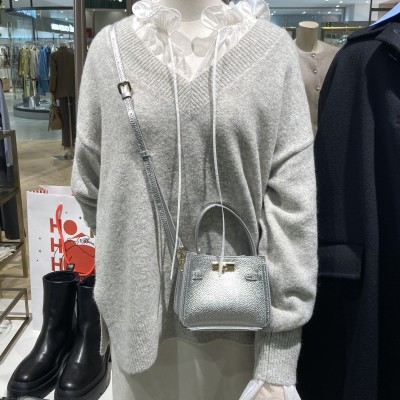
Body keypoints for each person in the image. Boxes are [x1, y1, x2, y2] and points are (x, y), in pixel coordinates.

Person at [71, 0, 318, 399]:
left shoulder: (273, 52)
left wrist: (279, 354)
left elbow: (293, 209)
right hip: (138, 332)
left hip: (241, 332)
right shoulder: (109, 50)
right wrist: (129, 268)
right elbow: (89, 184)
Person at [49, 42, 76, 159]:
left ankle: (67, 148)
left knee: (64, 120)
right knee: (74, 119)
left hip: (61, 93)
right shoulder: (74, 54)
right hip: (74, 91)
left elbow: (53, 75)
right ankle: (74, 144)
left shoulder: (54, 56)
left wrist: (52, 90)